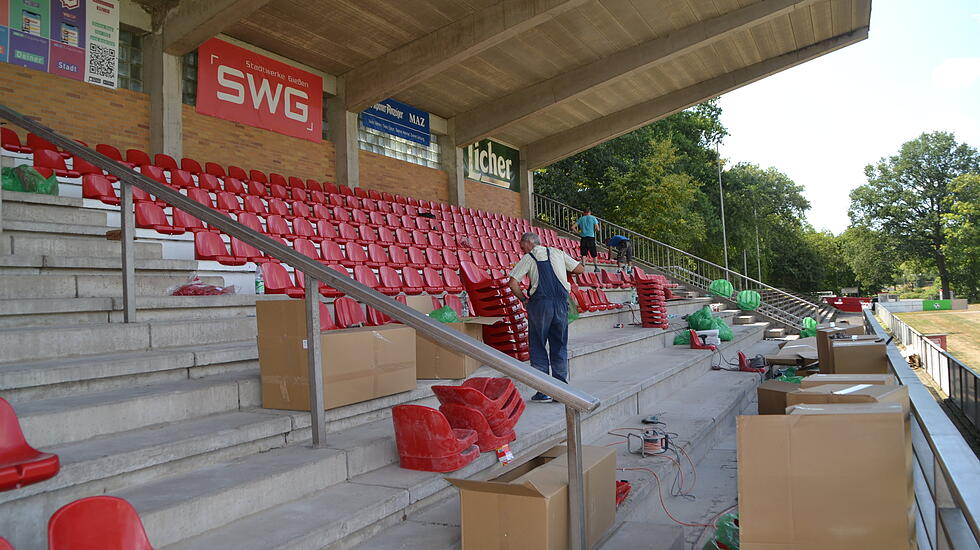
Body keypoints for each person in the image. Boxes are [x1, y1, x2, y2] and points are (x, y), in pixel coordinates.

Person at [509, 232, 584, 402]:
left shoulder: (529, 257)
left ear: (529, 243)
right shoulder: (557, 252)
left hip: (540, 305)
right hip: (560, 304)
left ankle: (543, 391)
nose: (521, 249)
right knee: (559, 345)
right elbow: (580, 269)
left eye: (522, 245)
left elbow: (512, 282)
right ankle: (561, 391)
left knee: (538, 346)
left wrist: (523, 300)